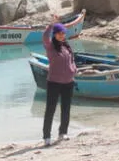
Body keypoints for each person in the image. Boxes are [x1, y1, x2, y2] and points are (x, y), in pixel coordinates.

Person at [41, 15, 77, 146]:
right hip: (54, 83)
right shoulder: (50, 47)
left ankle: (63, 133)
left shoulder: (66, 47)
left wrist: (74, 70)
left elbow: (71, 60)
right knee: (50, 109)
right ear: (55, 34)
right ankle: (46, 137)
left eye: (63, 33)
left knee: (66, 109)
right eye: (59, 33)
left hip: (68, 83)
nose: (62, 35)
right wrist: (51, 25)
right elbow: (45, 37)